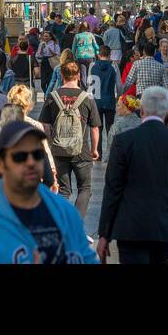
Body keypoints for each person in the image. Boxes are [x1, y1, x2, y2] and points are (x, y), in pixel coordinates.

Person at [0, 120, 96, 264]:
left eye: (37, 154)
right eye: (20, 156)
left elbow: (85, 257)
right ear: (0, 163)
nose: (31, 162)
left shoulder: (64, 213)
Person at [95, 86, 168, 265]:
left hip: (131, 226)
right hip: (165, 225)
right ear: (167, 112)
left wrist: (104, 234)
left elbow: (112, 190)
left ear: (141, 110)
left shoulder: (124, 141)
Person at [39, 61, 100, 219]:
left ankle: (62, 223)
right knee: (85, 188)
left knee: (63, 190)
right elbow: (94, 128)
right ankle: (77, 225)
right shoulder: (87, 98)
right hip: (81, 151)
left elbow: (45, 125)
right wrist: (94, 149)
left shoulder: (53, 97)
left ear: (61, 75)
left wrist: (51, 143)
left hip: (59, 151)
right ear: (79, 76)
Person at [89, 46, 120, 156]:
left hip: (96, 101)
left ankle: (98, 153)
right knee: (110, 127)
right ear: (110, 54)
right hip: (109, 100)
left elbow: (90, 85)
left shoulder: (93, 65)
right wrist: (119, 96)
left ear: (99, 55)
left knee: (98, 128)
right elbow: (119, 85)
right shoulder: (113, 66)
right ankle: (111, 152)